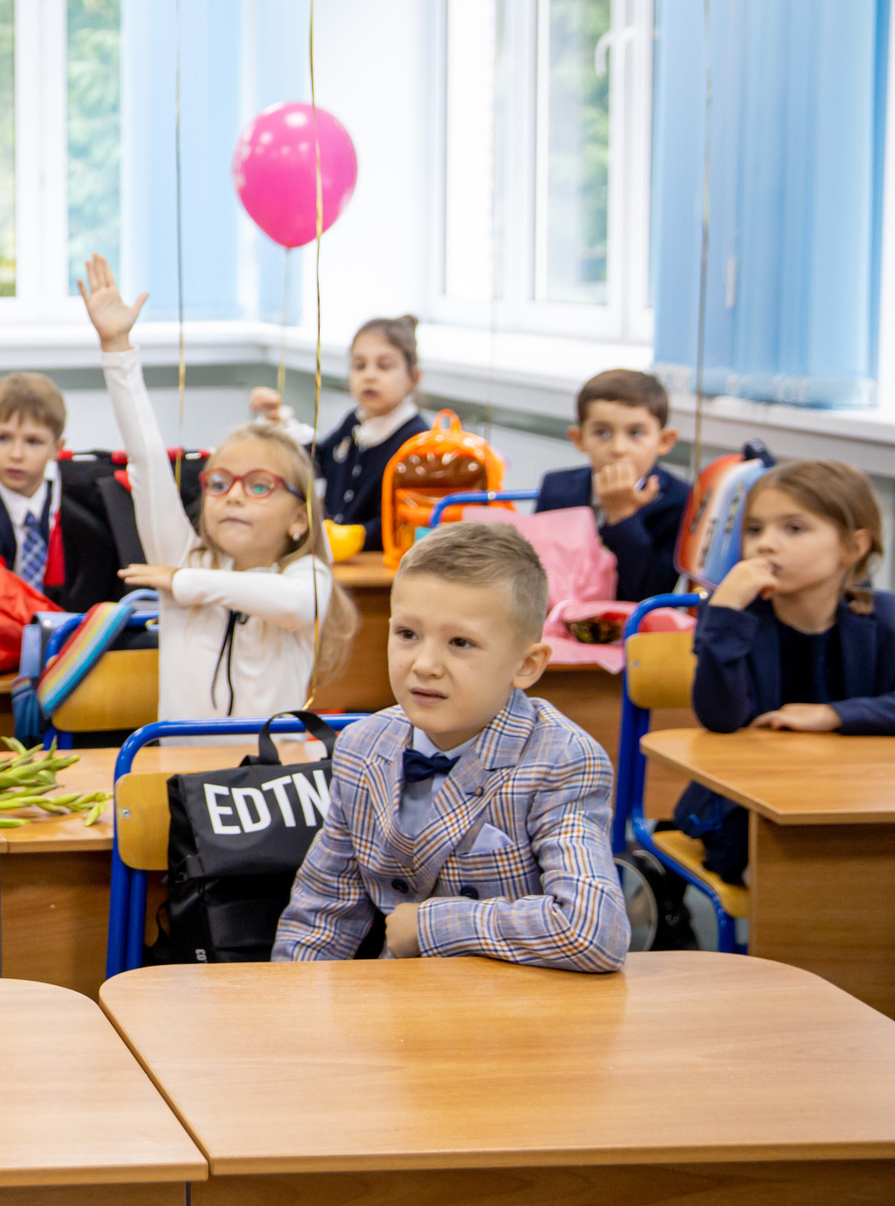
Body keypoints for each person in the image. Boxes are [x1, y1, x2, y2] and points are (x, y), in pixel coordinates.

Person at [274, 522, 628, 971]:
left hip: (517, 1020)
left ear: (526, 665)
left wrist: (430, 925)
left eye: (460, 643)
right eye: (407, 634)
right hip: (395, 1014)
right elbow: (321, 914)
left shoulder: (561, 759)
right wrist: (290, 1013)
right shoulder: (362, 746)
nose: (424, 665)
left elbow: (594, 931)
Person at [83, 256, 352, 718]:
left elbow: (292, 605)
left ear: (297, 518)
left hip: (270, 784)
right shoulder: (184, 558)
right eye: (220, 482)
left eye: (260, 485)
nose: (234, 494)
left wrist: (184, 583)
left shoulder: (306, 578)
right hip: (185, 780)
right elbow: (147, 461)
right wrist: (117, 348)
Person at [681, 461, 895, 884]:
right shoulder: (732, 616)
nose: (766, 545)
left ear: (853, 547)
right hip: (747, 807)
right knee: (802, 873)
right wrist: (724, 611)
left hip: (855, 798)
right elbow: (720, 717)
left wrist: (833, 714)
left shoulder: (882, 615)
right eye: (755, 529)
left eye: (793, 529)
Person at [0, 370, 123, 612]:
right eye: (3, 438)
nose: (16, 454)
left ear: (57, 449)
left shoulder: (78, 513)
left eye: (33, 441)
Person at [252, 316, 429, 554]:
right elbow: (319, 460)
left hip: (377, 568)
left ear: (413, 377)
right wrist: (279, 423)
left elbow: (406, 525)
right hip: (339, 561)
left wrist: (357, 537)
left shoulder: (417, 442)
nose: (369, 375)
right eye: (359, 365)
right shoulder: (355, 420)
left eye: (384, 366)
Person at [533, 368, 691, 602]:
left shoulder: (679, 500)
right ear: (579, 439)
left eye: (636, 432)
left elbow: (646, 596)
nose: (618, 448)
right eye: (602, 432)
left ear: (664, 441)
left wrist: (622, 515)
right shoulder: (556, 488)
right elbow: (534, 575)